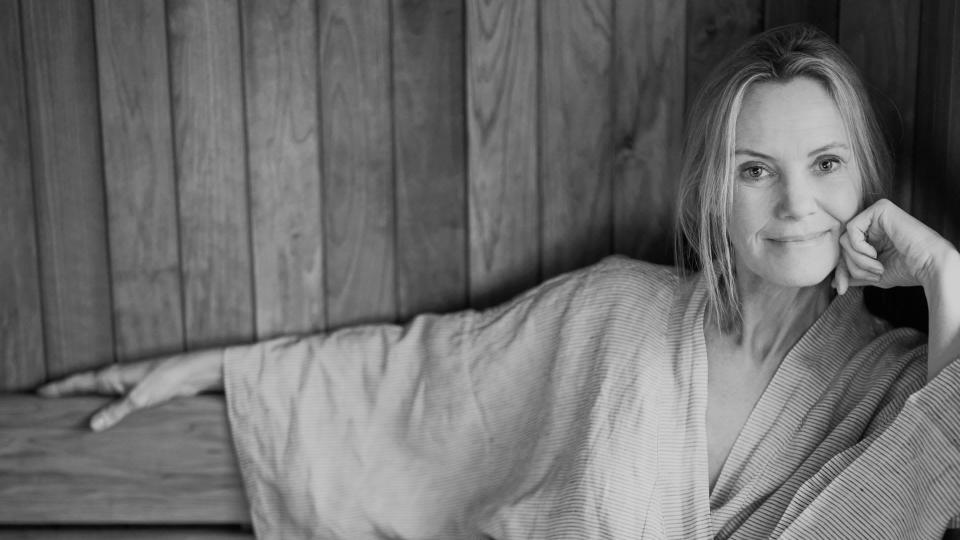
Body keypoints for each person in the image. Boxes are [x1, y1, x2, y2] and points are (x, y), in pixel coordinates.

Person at [38, 24, 960, 539]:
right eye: (756, 168)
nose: (797, 201)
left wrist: (946, 275)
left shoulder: (897, 384)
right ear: (715, 190)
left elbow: (931, 481)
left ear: (866, 177)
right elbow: (434, 378)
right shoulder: (615, 314)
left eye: (827, 163)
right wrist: (221, 369)